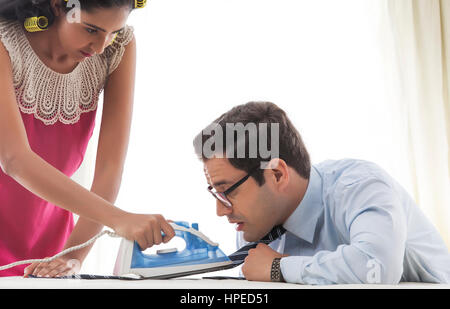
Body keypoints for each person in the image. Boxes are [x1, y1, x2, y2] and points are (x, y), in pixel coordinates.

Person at [0, 0, 175, 278]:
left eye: (113, 31)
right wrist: (120, 220)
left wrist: (72, 257)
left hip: (50, 234)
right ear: (59, 5)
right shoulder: (4, 43)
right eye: (91, 29)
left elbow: (109, 169)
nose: (101, 46)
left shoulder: (118, 48)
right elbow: (13, 159)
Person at [193, 101, 450, 284]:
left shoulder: (360, 186)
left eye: (227, 191)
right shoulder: (258, 228)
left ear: (277, 174)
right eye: (215, 192)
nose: (220, 210)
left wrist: (277, 267)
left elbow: (377, 269)